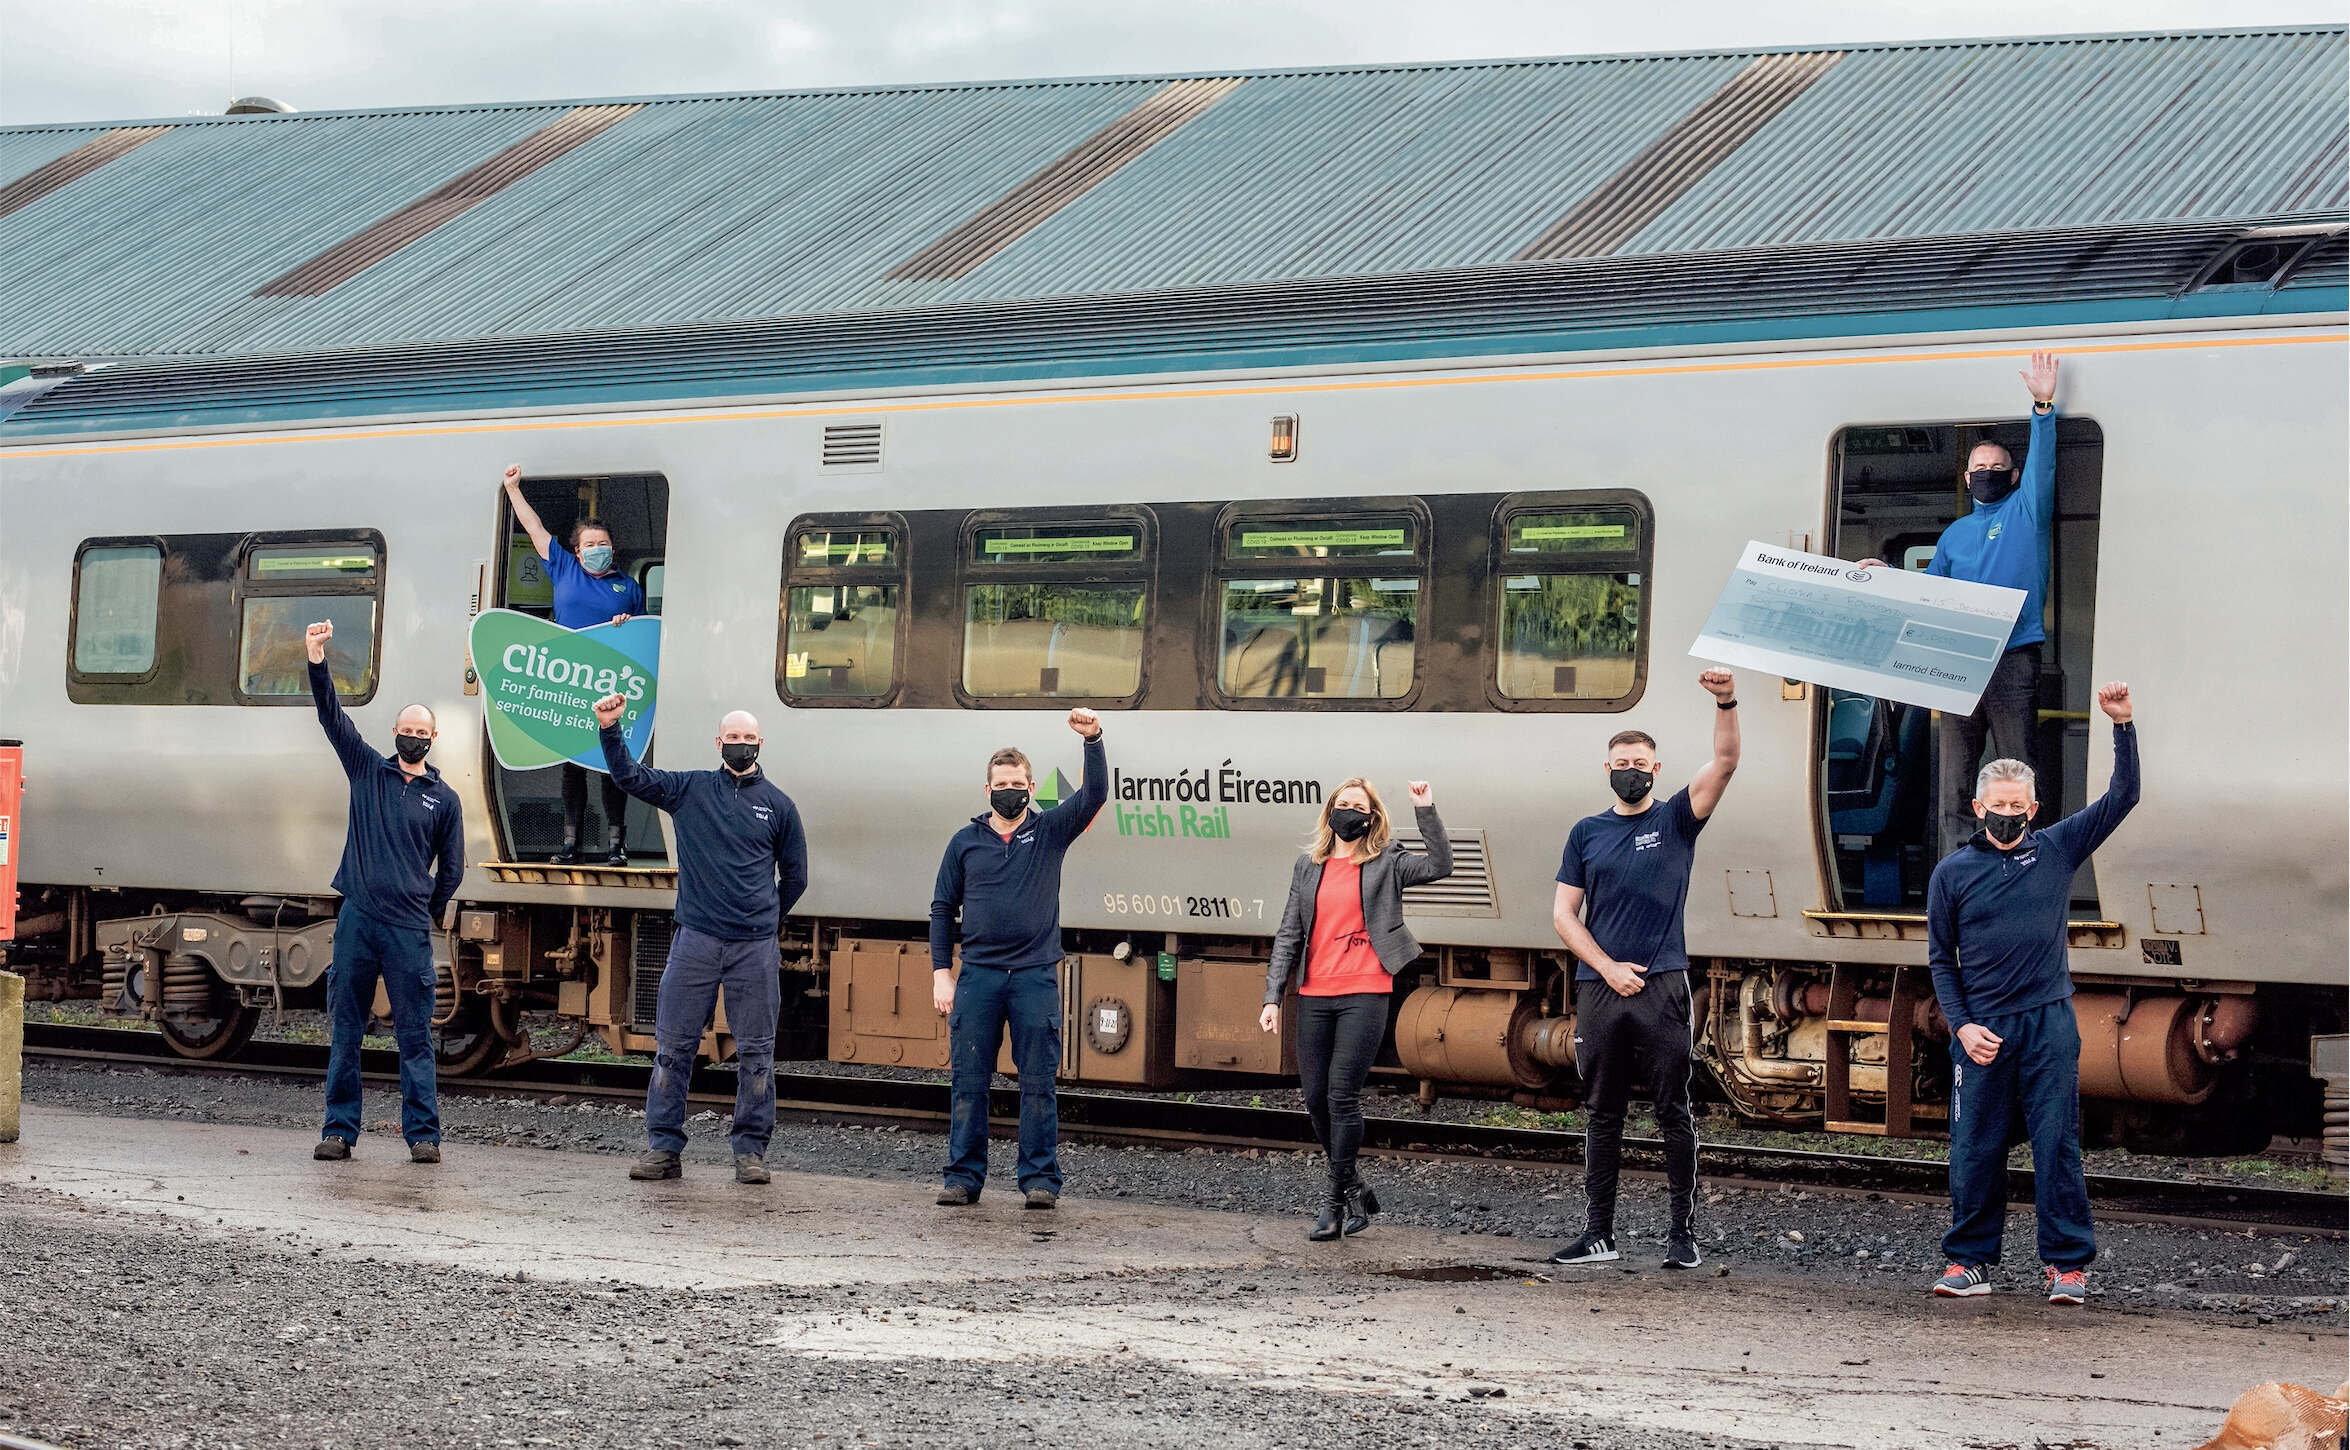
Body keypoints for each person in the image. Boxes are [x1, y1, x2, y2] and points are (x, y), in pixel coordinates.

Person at [1929, 681, 2138, 1306]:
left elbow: (2124, 796)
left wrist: (2122, 726)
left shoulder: (2057, 848)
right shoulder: (1952, 874)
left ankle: (2067, 1267)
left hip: (2049, 1022)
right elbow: (1941, 961)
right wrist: (1962, 1027)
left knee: (2056, 1143)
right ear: (1976, 805)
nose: (2007, 815)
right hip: (1983, 1031)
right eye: (1997, 804)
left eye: (2017, 806)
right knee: (1975, 1148)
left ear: (2034, 808)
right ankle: (1969, 1262)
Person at [1548, 668, 1742, 1269]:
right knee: (1602, 1112)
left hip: (1662, 987)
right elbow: (1563, 915)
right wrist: (1606, 968)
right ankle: (1598, 1233)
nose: (1630, 769)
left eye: (1641, 761)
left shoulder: (1678, 819)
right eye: (1621, 761)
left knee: (1672, 1111)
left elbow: (1727, 760)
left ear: (1655, 770)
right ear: (1607, 769)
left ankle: (1682, 1237)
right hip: (1601, 990)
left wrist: (1725, 700)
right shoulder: (1586, 832)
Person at [593, 693, 807, 1184]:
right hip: (697, 941)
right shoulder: (689, 789)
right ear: (718, 743)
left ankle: (750, 1153)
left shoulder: (779, 806)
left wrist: (765, 917)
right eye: (732, 739)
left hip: (753, 947)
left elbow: (796, 877)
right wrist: (610, 729)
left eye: (748, 739)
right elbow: (630, 778)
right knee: (673, 1047)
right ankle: (663, 1149)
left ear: (760, 744)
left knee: (756, 1053)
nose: (740, 746)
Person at [1863, 352, 2062, 858]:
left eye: (1998, 467)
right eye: (1980, 468)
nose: (1988, 473)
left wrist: (2043, 406)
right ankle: (1956, 868)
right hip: (1957, 662)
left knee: (2018, 771)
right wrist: (1888, 578)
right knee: (1955, 775)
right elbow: (1930, 595)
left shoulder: (2026, 511)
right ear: (1967, 479)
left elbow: (2043, 464)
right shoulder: (1954, 534)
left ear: (2013, 477)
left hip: (2013, 656)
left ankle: (2026, 862)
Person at [929, 709, 1108, 1210]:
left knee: (1038, 1086)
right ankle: (963, 1177)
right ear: (987, 791)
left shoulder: (1050, 832)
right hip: (978, 977)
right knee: (968, 1083)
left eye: (1018, 783)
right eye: (1001, 783)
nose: (1011, 790)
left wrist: (1093, 740)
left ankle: (1039, 1182)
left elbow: (1094, 795)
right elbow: (942, 909)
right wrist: (942, 973)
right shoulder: (964, 843)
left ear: (1031, 788)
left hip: (1034, 976)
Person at [1259, 778, 1451, 1240]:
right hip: (1315, 995)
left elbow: (1441, 865)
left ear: (1372, 817)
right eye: (1341, 805)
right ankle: (1356, 1189)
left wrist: (1425, 809)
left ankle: (1332, 1203)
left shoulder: (1388, 862)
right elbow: (1289, 934)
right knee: (1315, 1100)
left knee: (1341, 1096)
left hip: (1365, 992)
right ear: (1330, 812)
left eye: (1357, 806)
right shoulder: (1308, 866)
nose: (1348, 812)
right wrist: (1271, 996)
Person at [303, 619, 465, 1165]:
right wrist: (317, 661)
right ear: (395, 732)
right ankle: (338, 1131)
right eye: (405, 727)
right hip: (358, 921)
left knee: (414, 1036)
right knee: (346, 1029)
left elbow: (453, 868)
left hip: (407, 931)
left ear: (432, 738)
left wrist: (426, 908)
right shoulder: (367, 771)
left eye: (421, 730)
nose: (412, 735)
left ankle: (423, 1135)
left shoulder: (444, 800)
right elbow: (332, 718)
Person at [502, 464, 646, 866]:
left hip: (608, 684)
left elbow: (642, 636)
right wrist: (513, 489)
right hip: (568, 682)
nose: (597, 548)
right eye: (589, 543)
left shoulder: (628, 586)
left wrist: (626, 625)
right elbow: (533, 528)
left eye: (603, 542)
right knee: (572, 769)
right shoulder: (562, 567)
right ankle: (571, 845)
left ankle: (616, 845)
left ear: (612, 548)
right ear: (577, 550)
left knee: (611, 766)